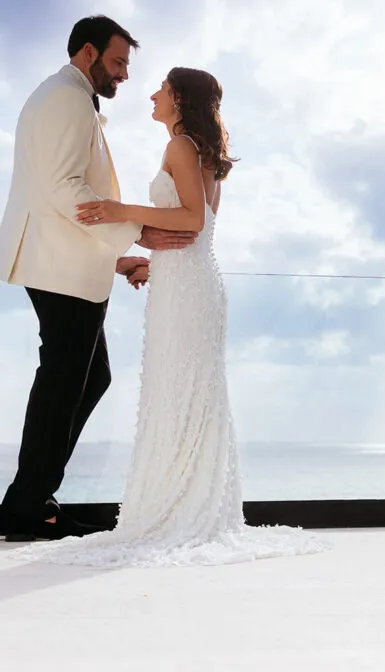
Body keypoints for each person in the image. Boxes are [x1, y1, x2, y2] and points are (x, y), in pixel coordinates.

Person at [11, 65, 329, 567]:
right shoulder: (197, 151)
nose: (152, 94)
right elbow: (191, 241)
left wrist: (121, 211)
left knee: (179, 393)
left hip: (188, 291)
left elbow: (192, 222)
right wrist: (146, 260)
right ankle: (185, 504)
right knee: (184, 394)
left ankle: (178, 508)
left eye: (161, 87)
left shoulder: (182, 147)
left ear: (179, 97)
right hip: (188, 281)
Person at [0, 15, 197, 543]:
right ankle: (27, 507)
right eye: (117, 62)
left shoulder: (61, 96)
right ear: (87, 53)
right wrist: (137, 236)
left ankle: (30, 499)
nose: (125, 76)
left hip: (64, 261)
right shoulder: (66, 98)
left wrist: (113, 259)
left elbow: (53, 195)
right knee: (65, 380)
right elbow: (65, 188)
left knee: (85, 377)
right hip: (59, 268)